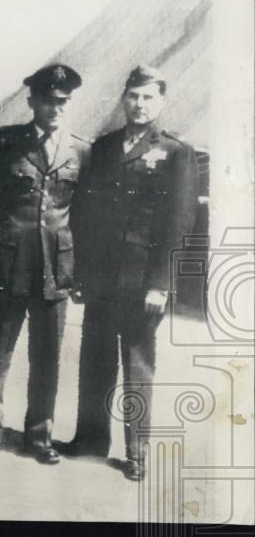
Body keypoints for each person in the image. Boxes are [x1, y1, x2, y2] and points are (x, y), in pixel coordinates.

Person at [68, 65, 199, 481]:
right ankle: (89, 438)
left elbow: (179, 224)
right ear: (123, 98)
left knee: (138, 364)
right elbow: (86, 215)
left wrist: (161, 283)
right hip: (102, 276)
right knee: (95, 358)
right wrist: (82, 273)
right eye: (133, 96)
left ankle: (137, 452)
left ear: (160, 101)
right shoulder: (104, 148)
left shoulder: (176, 152)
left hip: (143, 279)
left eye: (148, 97)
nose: (139, 105)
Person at [0, 64, 91, 466]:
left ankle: (39, 436)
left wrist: (78, 271)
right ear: (33, 102)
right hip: (9, 264)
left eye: (63, 102)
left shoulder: (80, 150)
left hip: (56, 269)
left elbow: (83, 214)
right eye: (48, 101)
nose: (56, 108)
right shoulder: (5, 142)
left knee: (47, 357)